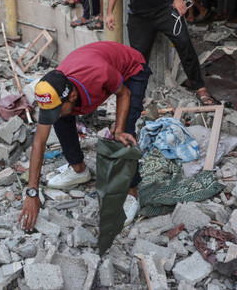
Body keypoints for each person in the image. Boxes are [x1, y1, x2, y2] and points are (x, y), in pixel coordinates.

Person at [19, 41, 152, 231]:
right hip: (94, 62)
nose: (55, 112)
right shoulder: (54, 91)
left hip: (131, 69)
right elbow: (39, 143)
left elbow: (124, 93)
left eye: (58, 108)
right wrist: (32, 193)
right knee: (61, 119)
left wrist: (120, 128)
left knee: (124, 135)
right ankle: (79, 170)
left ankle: (131, 194)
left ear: (73, 96)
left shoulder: (98, 75)